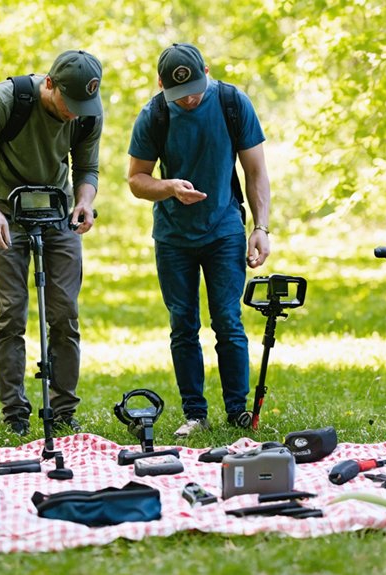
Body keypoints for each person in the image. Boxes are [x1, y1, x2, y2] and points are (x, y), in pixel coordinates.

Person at [0, 50, 103, 436]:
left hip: (59, 210)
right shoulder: (6, 101)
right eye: (69, 104)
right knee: (11, 312)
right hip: (5, 207)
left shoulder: (88, 111)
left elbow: (86, 167)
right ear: (49, 84)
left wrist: (85, 202)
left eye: (83, 105)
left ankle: (64, 409)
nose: (75, 113)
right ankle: (14, 414)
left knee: (65, 312)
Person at [128, 43, 272, 437]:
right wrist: (170, 187)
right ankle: (195, 412)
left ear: (206, 71)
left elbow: (256, 170)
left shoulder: (231, 102)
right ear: (160, 85)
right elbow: (137, 179)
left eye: (195, 87)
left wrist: (260, 228)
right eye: (179, 93)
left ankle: (237, 410)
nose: (190, 98)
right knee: (183, 323)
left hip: (224, 227)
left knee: (227, 318)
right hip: (173, 235)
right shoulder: (154, 114)